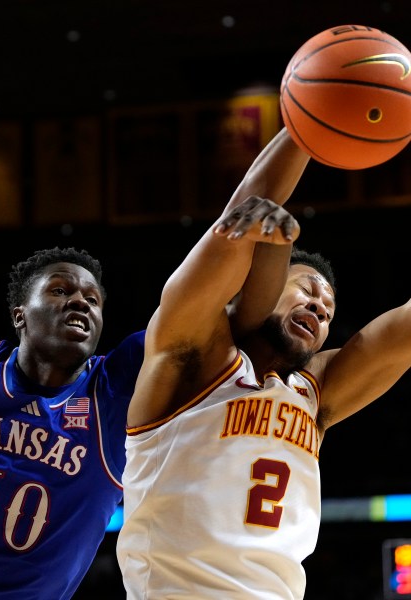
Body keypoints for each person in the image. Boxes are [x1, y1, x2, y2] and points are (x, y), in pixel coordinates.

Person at [0, 126, 307, 599]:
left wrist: (302, 136)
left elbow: (238, 288)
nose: (81, 303)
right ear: (19, 314)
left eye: (93, 299)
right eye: (61, 290)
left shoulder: (118, 387)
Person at [116, 132, 411, 598]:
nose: (320, 308)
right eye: (308, 290)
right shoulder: (187, 357)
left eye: (329, 310)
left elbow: (401, 337)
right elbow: (242, 218)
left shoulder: (315, 395)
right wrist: (307, 126)